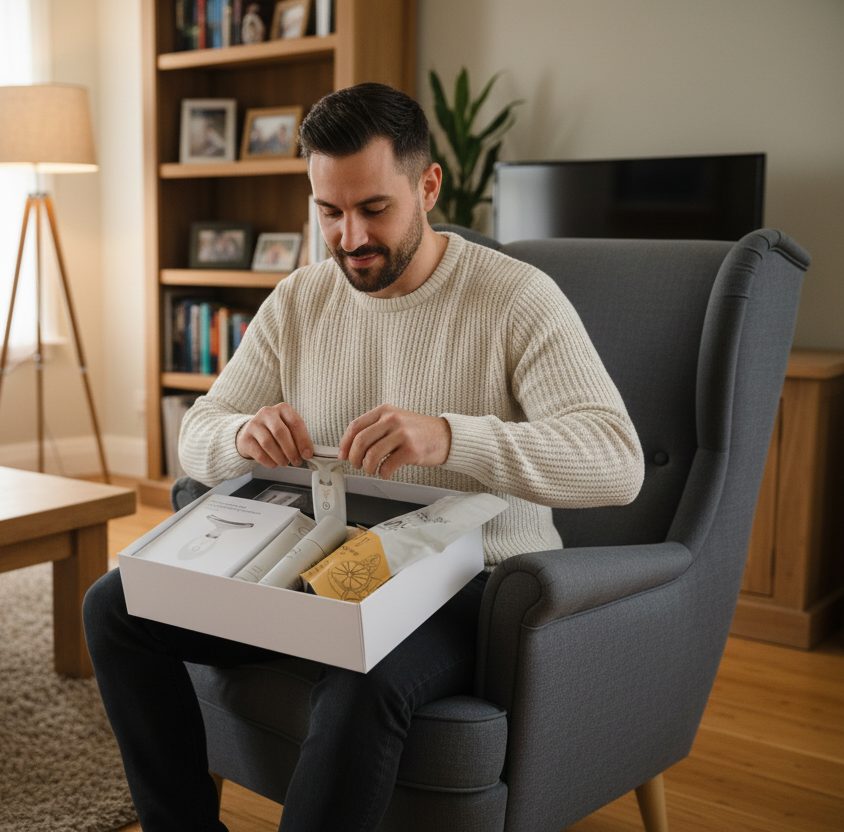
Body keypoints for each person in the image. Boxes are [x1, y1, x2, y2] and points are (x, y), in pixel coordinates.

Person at [84, 82, 644, 831]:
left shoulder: (516, 299)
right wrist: (240, 436)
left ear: (428, 186)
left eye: (374, 208)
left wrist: (453, 437)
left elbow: (617, 461)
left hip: (467, 583)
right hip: (316, 560)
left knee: (360, 671)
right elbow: (200, 429)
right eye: (329, 212)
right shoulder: (299, 298)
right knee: (115, 606)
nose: (350, 237)